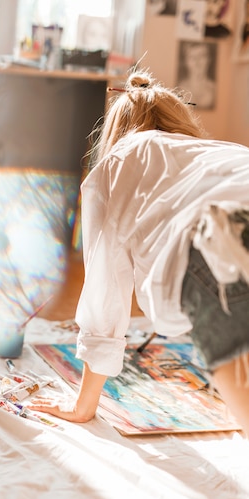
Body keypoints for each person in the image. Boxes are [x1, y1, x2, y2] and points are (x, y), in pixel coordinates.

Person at [29, 70, 249, 435]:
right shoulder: (224, 150)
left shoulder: (116, 162)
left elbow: (105, 293)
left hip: (215, 245)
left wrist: (84, 406)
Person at [177, 41, 217, 110]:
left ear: (209, 59)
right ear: (186, 61)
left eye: (201, 56)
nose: (197, 62)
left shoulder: (214, 89)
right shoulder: (179, 89)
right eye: (192, 57)